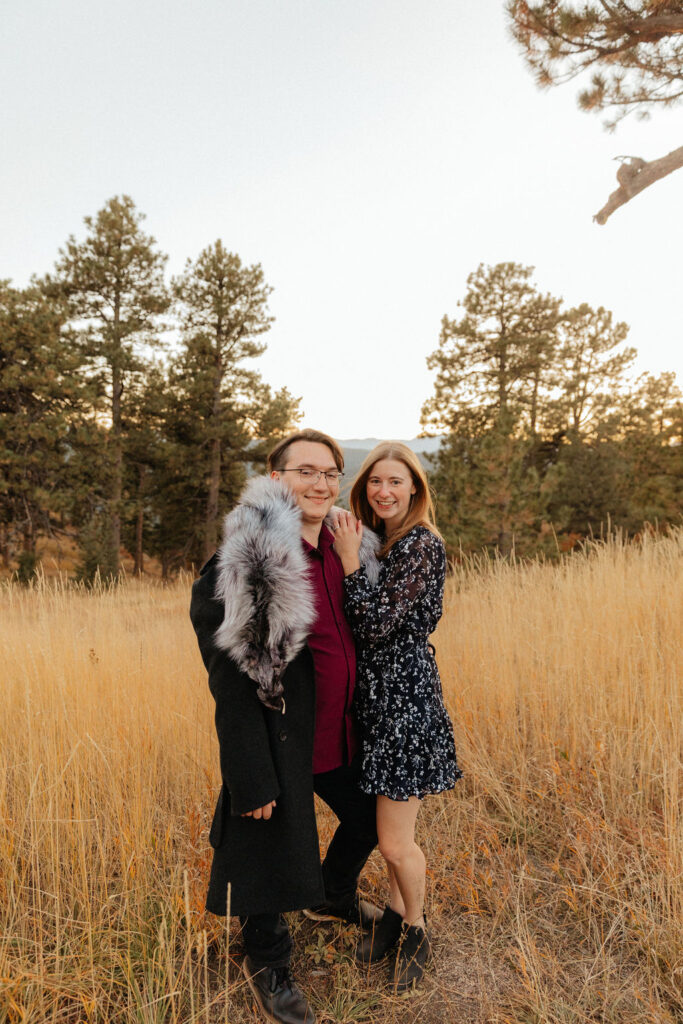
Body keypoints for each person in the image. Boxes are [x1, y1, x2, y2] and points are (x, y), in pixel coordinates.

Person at [189, 429, 380, 1024]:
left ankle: (331, 893)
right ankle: (267, 957)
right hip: (283, 734)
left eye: (330, 473)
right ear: (276, 479)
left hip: (345, 727)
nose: (321, 483)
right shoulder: (246, 560)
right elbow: (228, 675)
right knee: (267, 838)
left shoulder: (348, 547)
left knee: (374, 816)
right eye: (306, 471)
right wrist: (250, 772)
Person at [331, 441, 461, 992]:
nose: (384, 491)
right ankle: (390, 914)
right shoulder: (387, 541)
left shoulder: (419, 547)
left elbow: (375, 625)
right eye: (374, 483)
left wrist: (347, 561)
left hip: (404, 704)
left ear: (414, 489)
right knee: (390, 826)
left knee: (394, 841)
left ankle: (416, 926)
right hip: (379, 703)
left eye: (396, 482)